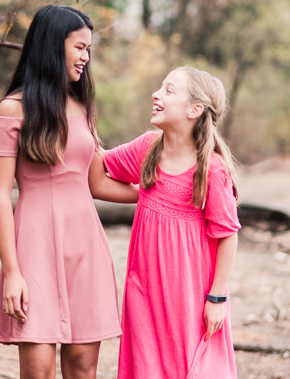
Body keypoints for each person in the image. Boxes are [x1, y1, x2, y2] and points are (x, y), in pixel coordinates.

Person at [0, 5, 137, 379]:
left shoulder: (81, 107)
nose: (86, 57)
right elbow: (0, 196)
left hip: (85, 246)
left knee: (84, 368)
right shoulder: (13, 109)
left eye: (89, 49)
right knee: (38, 369)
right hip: (34, 248)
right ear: (54, 45)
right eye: (79, 47)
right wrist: (12, 272)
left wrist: (157, 190)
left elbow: (96, 182)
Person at [91, 67, 241, 379]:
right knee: (146, 368)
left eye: (169, 90)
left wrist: (217, 298)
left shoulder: (211, 170)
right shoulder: (147, 148)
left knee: (186, 368)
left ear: (194, 110)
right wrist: (79, 127)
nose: (156, 94)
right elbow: (98, 178)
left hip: (189, 296)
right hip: (143, 290)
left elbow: (227, 235)